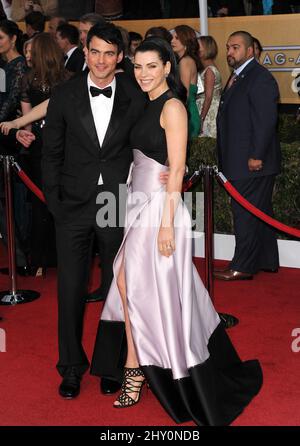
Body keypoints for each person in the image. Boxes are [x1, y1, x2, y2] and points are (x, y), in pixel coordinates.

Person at [90, 37, 263, 426]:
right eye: (138, 66)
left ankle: (138, 370)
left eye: (152, 66)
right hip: (137, 204)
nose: (144, 73)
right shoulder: (144, 102)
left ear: (168, 68)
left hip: (160, 211)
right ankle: (142, 365)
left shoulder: (172, 107)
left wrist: (166, 223)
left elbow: (179, 168)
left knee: (129, 285)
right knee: (131, 287)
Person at [41, 22, 147, 399]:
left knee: (116, 288)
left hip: (114, 201)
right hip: (72, 203)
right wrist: (54, 201)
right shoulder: (65, 94)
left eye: (109, 53)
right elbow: (51, 151)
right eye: (95, 51)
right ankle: (70, 367)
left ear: (120, 57)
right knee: (70, 288)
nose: (101, 60)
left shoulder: (135, 96)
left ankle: (111, 364)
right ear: (85, 53)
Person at [214, 31, 281, 281]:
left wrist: (256, 156)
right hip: (241, 160)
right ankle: (267, 261)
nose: (230, 52)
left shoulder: (259, 77)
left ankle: (242, 266)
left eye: (236, 47)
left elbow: (265, 121)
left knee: (244, 213)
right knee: (259, 211)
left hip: (252, 162)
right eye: (228, 47)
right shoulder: (239, 76)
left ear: (251, 50)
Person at [171, 25, 201, 139]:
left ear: (186, 41)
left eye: (177, 38)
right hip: (188, 112)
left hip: (187, 115)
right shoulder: (187, 60)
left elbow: (185, 94)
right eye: (172, 37)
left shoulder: (185, 61)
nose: (172, 40)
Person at [196, 35, 222, 138]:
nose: (195, 49)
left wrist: (201, 119)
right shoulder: (208, 68)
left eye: (198, 46)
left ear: (206, 49)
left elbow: (208, 97)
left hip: (209, 111)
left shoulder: (209, 70)